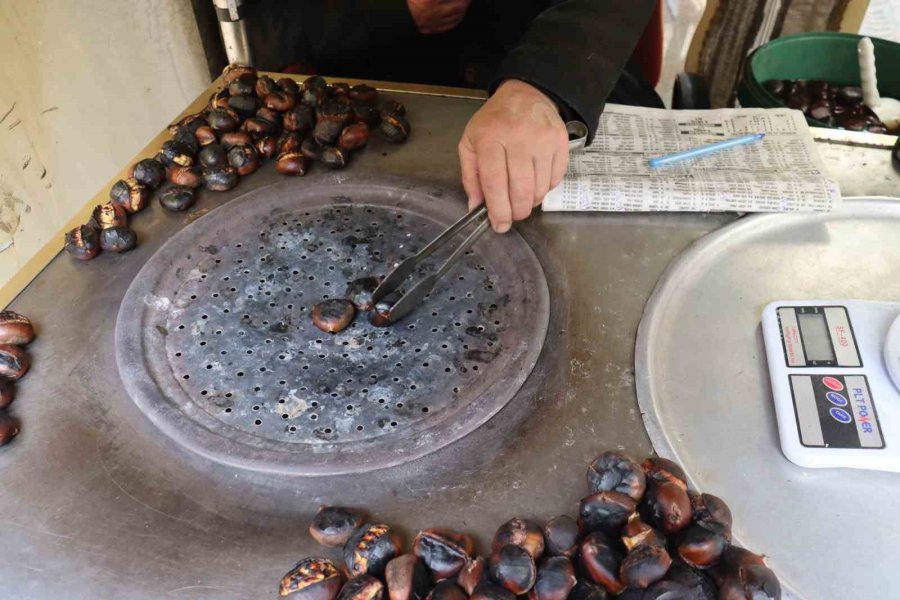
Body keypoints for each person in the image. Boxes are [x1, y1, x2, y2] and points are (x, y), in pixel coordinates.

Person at [244, 0, 662, 232]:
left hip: (561, 60)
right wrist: (389, 12)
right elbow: (258, 24)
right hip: (370, 101)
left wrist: (540, 82)